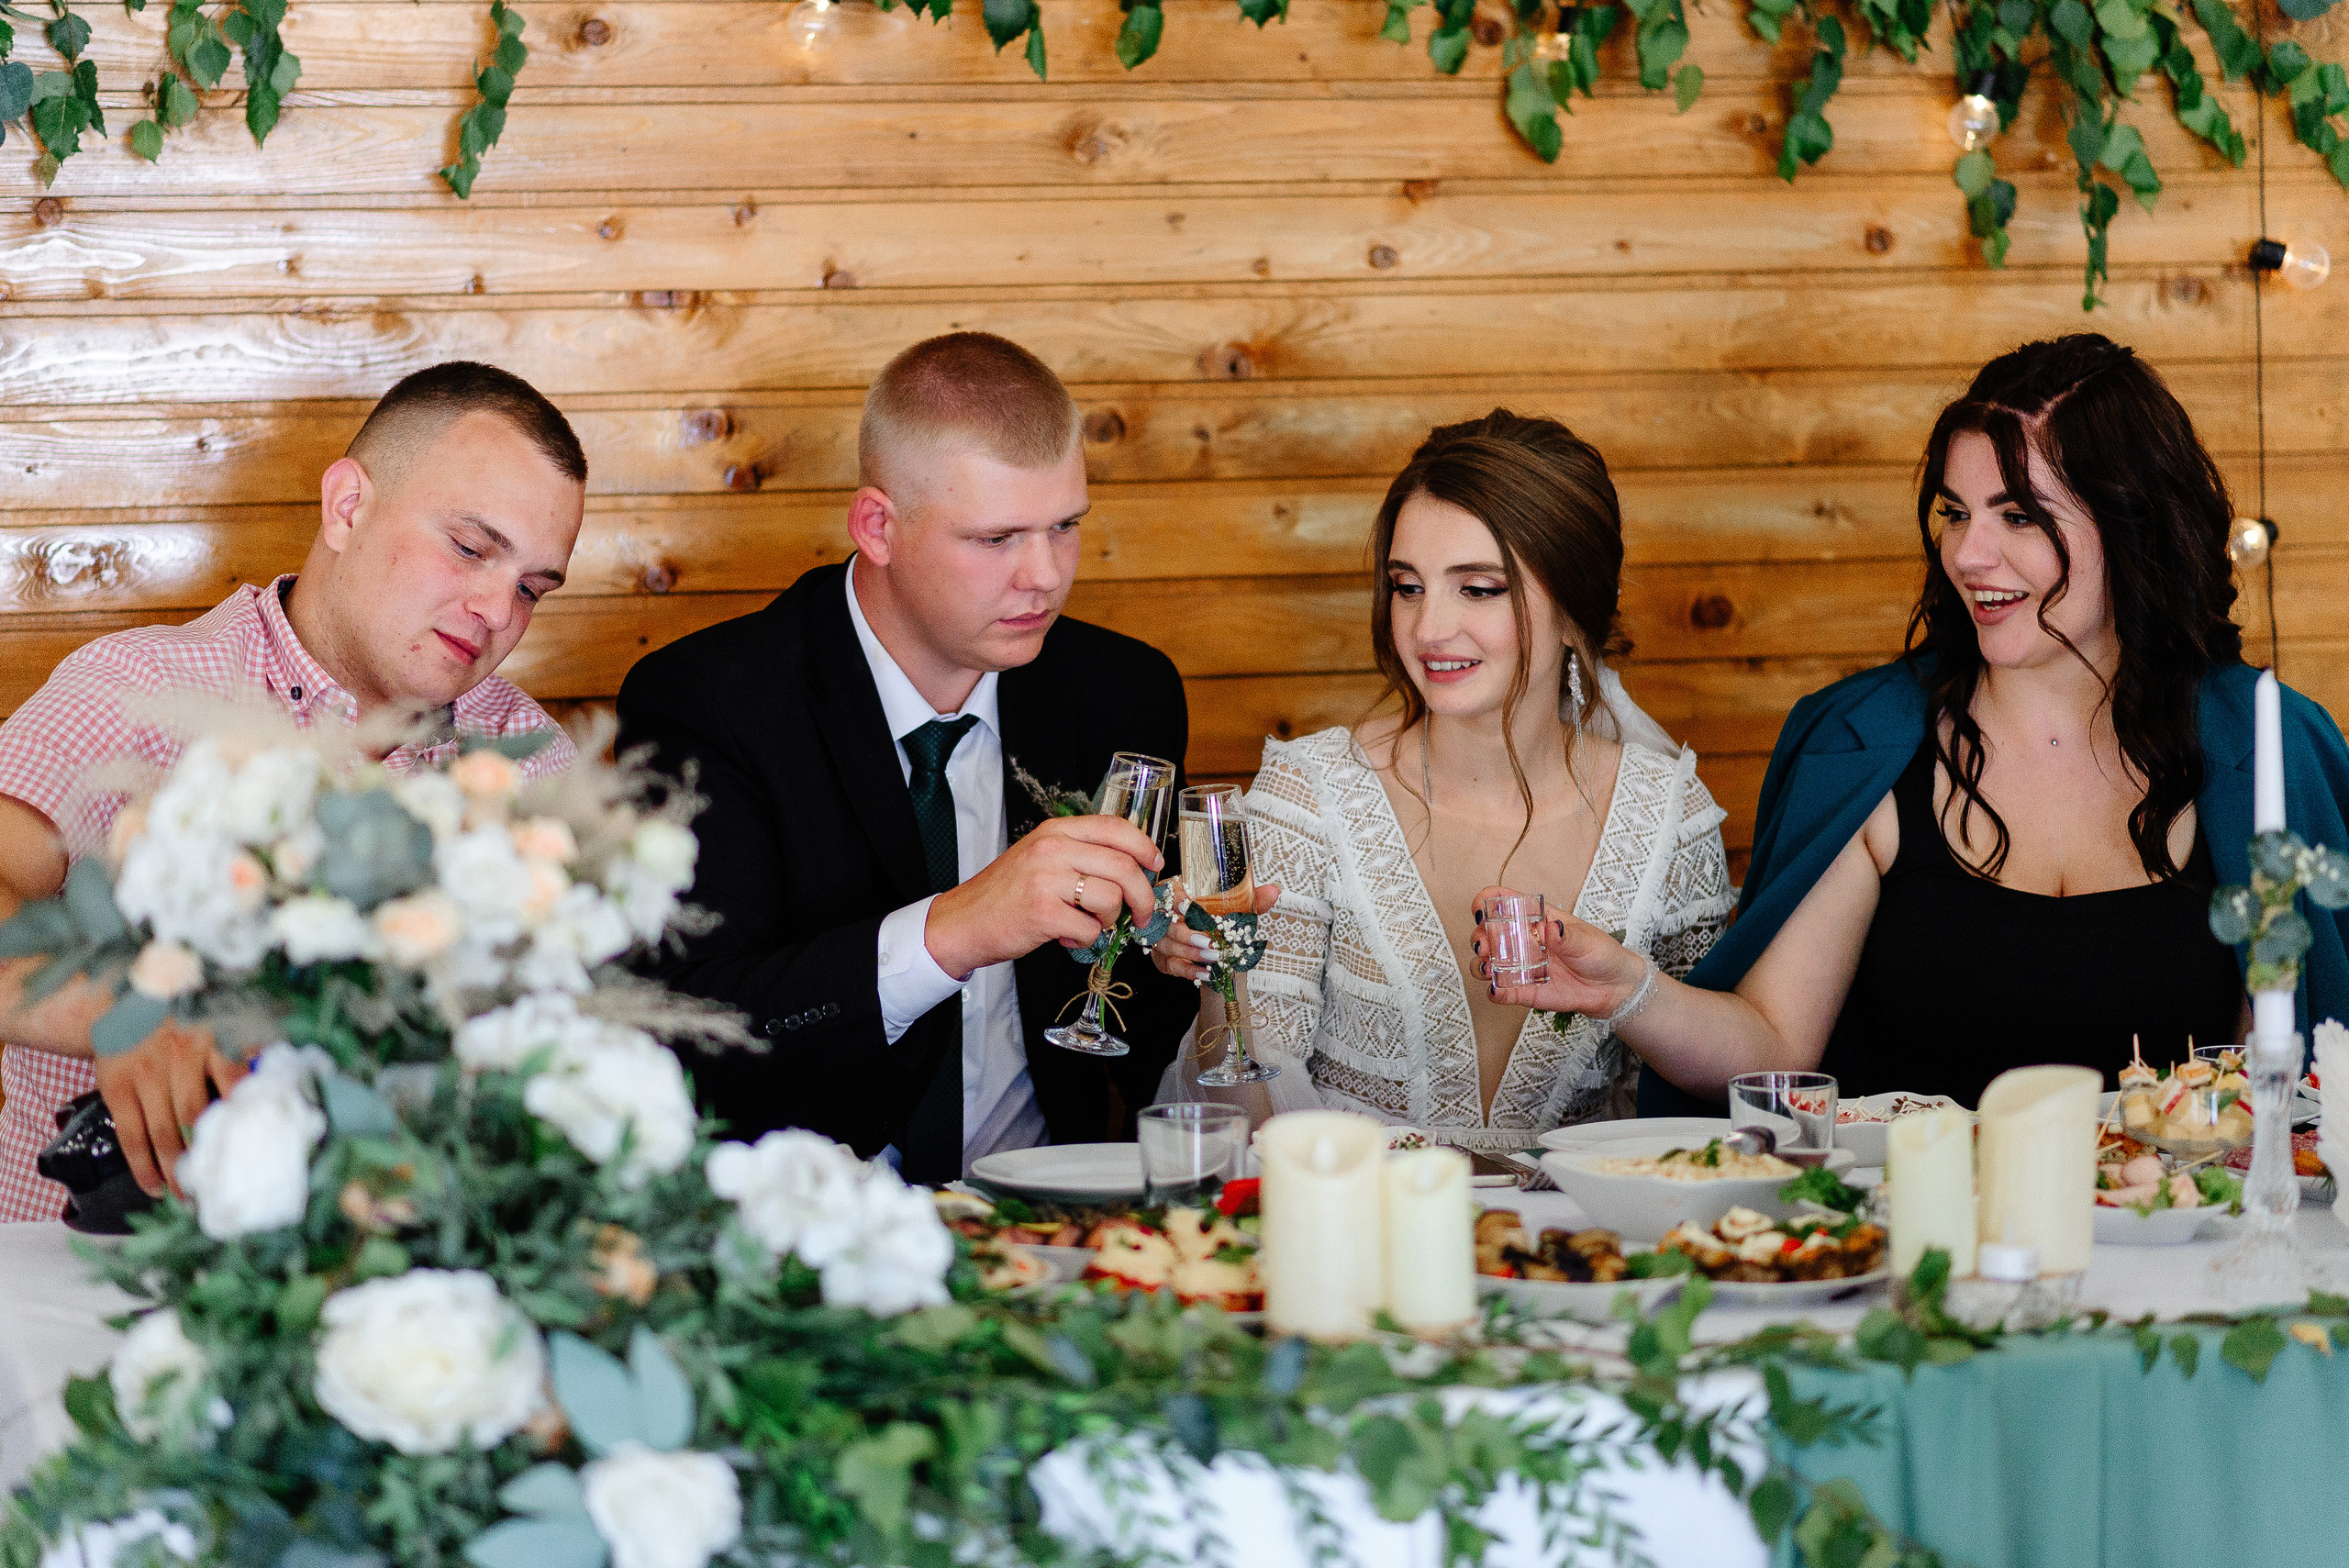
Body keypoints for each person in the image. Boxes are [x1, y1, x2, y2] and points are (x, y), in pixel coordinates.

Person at [1477, 334, 2349, 1113]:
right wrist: (1627, 989)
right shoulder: (1862, 741)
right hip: (1919, 1232)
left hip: (2175, 1230)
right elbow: (1773, 1047)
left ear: (2133, 525)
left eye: (2018, 515)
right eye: (1956, 513)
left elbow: (2286, 1083)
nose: (1968, 554)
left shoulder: (2270, 746)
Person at [616, 331, 1215, 1184]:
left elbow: (1147, 1028)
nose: (1044, 575)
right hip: (806, 1218)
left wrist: (1197, 965)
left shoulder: (1124, 692)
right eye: (996, 537)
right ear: (878, 526)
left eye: (1065, 526)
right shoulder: (710, 702)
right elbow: (693, 1024)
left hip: (1063, 1210)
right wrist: (956, 929)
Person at [0, 361, 586, 1221]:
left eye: (532, 588)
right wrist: (122, 1008)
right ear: (347, 507)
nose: (499, 610)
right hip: (91, 1267)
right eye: (470, 548)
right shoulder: (138, 690)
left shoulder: (530, 764)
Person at [1152, 410, 1735, 1152]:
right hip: (1351, 1217)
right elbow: (1247, 1130)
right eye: (1407, 586)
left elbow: (1709, 1099)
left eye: (1478, 589)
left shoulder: (1667, 813)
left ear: (1575, 609)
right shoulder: (1307, 798)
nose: (1428, 629)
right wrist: (1221, 976)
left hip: (1587, 1227)